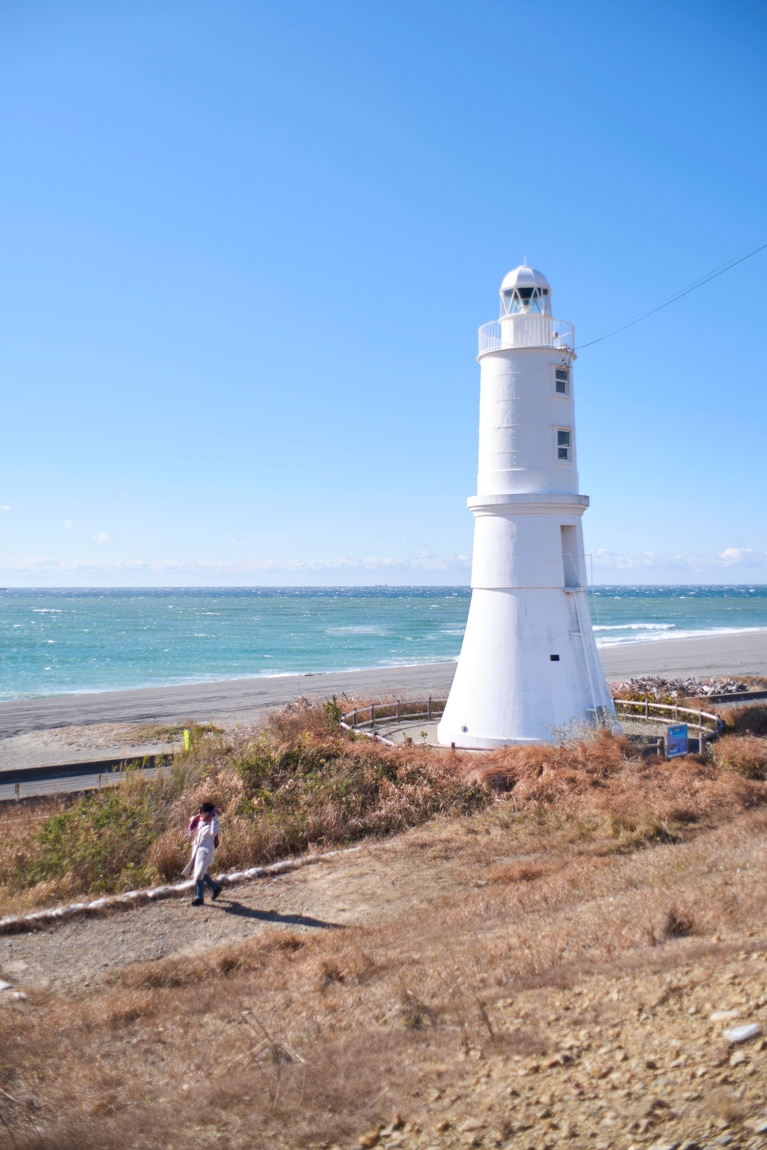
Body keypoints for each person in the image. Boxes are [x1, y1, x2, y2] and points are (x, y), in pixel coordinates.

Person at [183, 801, 223, 906]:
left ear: (207, 812)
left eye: (201, 811)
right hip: (197, 850)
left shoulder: (213, 823)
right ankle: (215, 888)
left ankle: (199, 897)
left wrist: (214, 817)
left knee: (199, 874)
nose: (199, 813)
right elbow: (195, 824)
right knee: (200, 872)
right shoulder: (202, 821)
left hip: (206, 852)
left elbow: (214, 832)